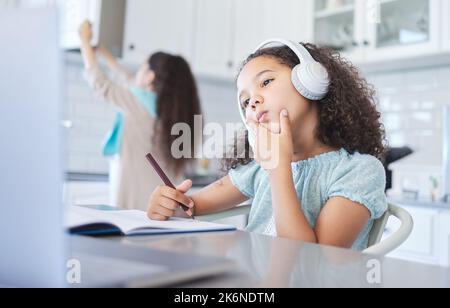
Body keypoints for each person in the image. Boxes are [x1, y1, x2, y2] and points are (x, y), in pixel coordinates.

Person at [147, 40, 388, 251]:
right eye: (245, 101)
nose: (253, 102)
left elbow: (311, 263)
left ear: (310, 81)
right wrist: (171, 203)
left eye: (266, 81)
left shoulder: (360, 171)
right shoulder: (258, 167)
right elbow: (192, 205)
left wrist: (278, 170)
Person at [79, 21, 201, 211]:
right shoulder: (170, 111)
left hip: (138, 211)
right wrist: (104, 54)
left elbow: (100, 83)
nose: (136, 74)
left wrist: (84, 41)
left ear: (150, 77)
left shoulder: (136, 103)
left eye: (142, 68)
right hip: (167, 210)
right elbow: (129, 81)